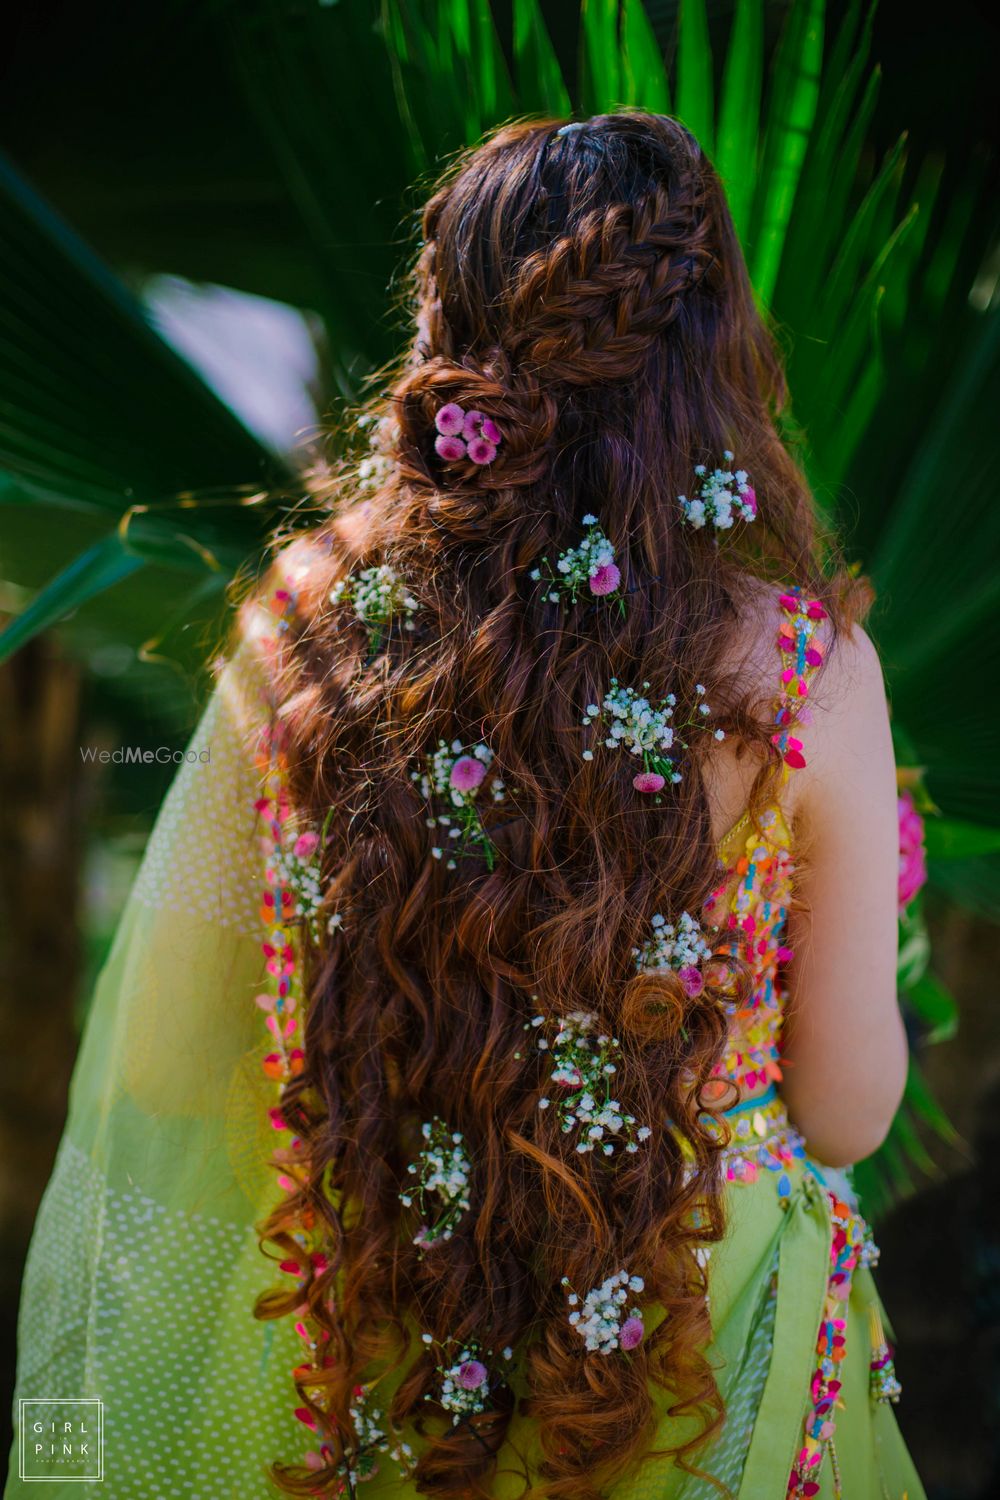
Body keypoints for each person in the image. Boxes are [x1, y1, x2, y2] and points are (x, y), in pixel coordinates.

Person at [4, 113, 925, 1500]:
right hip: (703, 1323)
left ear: (450, 324)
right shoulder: (805, 672)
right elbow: (850, 1112)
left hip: (400, 1291)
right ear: (713, 358)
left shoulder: (313, 624)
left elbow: (152, 1069)